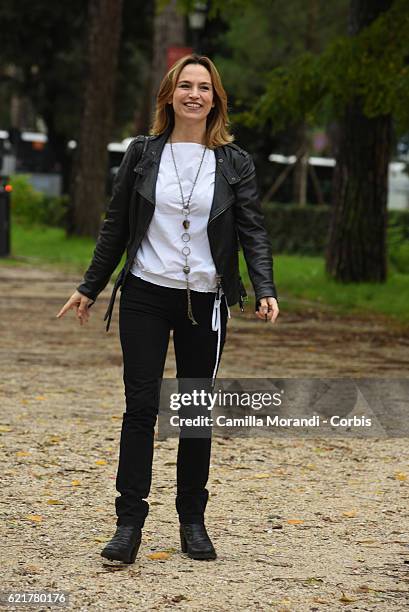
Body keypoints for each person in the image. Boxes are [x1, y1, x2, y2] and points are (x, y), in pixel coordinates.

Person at [56, 54, 279, 564]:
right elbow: (117, 224)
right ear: (169, 95)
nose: (194, 94)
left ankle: (192, 522)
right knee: (140, 409)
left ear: (215, 98)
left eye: (204, 87)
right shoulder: (142, 153)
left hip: (207, 300)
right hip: (144, 295)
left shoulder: (234, 161)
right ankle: (128, 523)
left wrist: (263, 285)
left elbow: (252, 229)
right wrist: (89, 286)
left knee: (194, 413)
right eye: (185, 85)